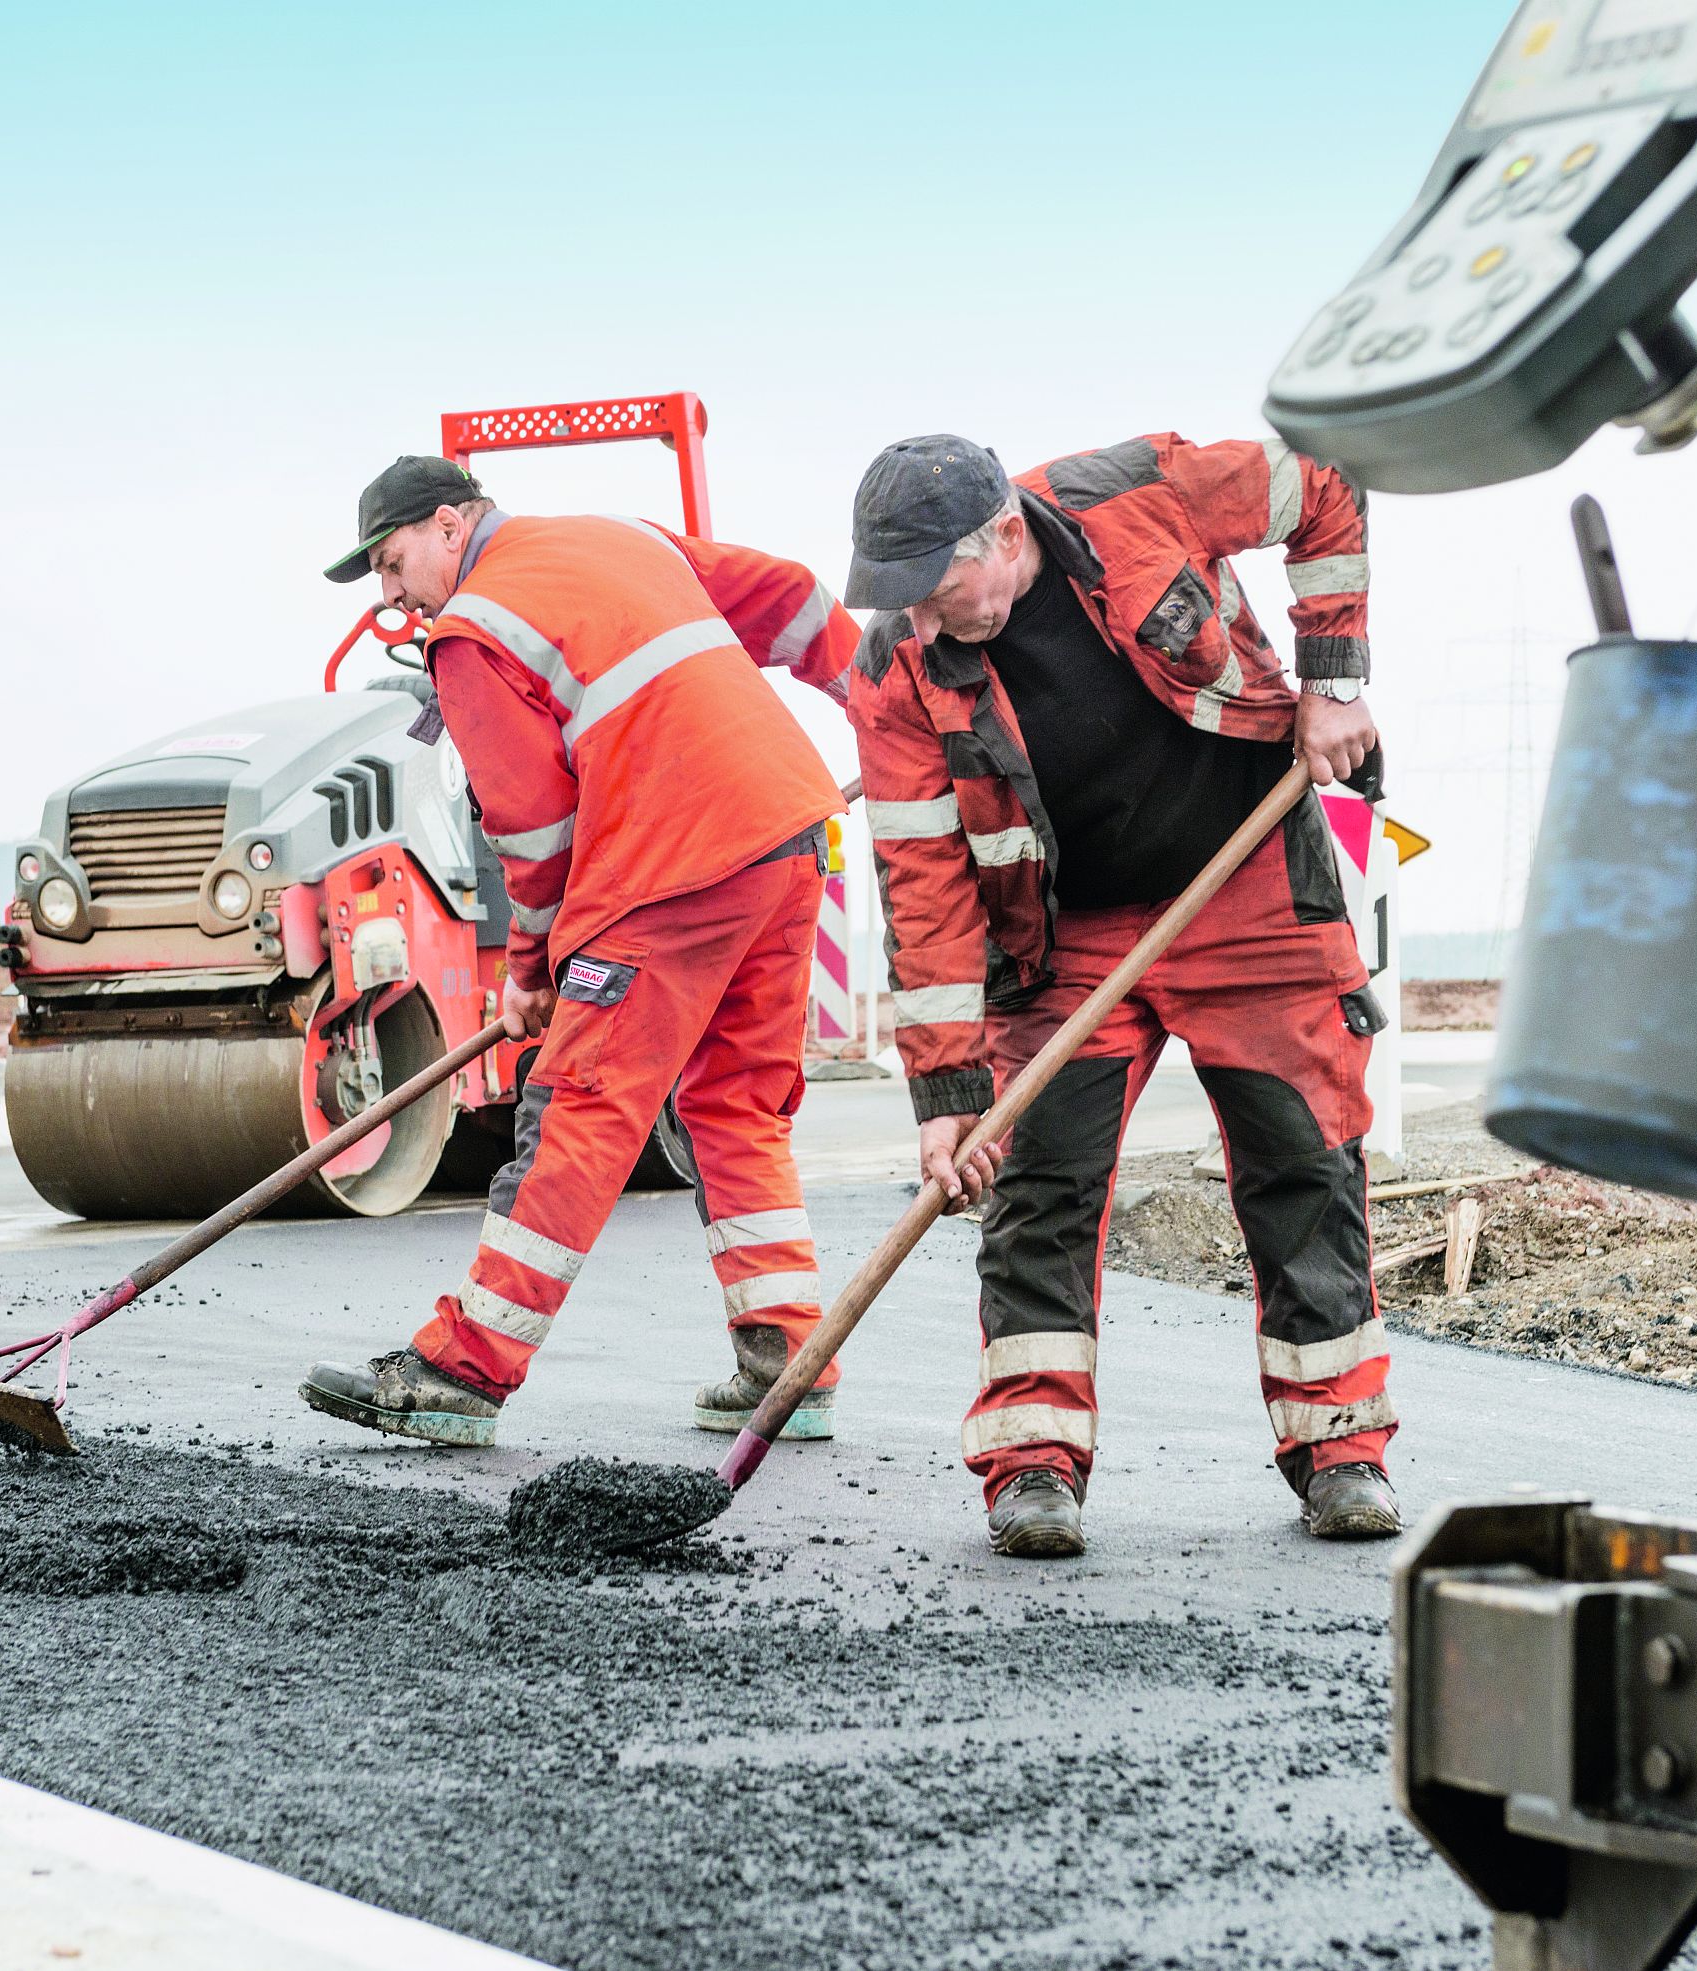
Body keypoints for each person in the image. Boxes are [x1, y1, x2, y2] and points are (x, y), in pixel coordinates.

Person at [843, 433, 1398, 1556]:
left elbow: (1327, 485)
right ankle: (1032, 1462)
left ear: (1002, 535)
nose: (923, 618)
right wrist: (947, 1091)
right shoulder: (893, 668)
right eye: (899, 597)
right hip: (1066, 936)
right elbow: (925, 882)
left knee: (1304, 1164)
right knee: (1037, 1179)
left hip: (1240, 881)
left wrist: (1333, 682)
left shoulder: (1136, 493)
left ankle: (1340, 1446)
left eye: (937, 588)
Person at [296, 456, 857, 1446]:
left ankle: (466, 1369)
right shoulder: (622, 536)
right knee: (733, 1103)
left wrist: (530, 975)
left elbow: (534, 831)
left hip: (667, 868)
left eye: (391, 562)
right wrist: (876, 703)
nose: (390, 592)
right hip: (786, 836)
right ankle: (787, 1360)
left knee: (576, 1113)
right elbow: (793, 599)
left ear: (450, 525)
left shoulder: (469, 633)